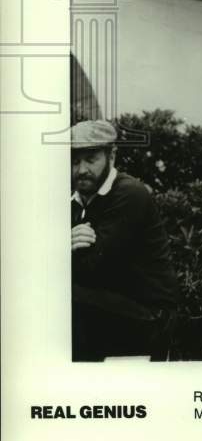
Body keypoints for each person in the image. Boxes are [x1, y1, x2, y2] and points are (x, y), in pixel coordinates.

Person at [71, 120, 179, 361]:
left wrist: (63, 251)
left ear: (112, 156)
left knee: (61, 296)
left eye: (91, 159)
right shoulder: (77, 201)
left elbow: (92, 268)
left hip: (150, 316)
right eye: (75, 160)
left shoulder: (129, 194)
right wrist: (68, 244)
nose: (81, 169)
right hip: (111, 306)